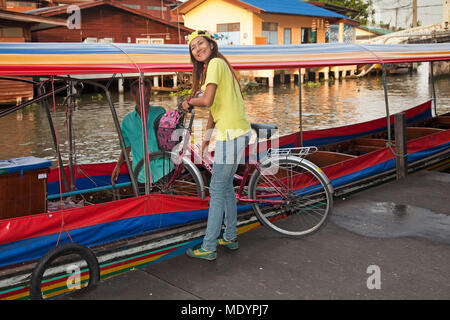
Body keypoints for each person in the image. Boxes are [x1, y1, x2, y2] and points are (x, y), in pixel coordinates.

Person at [182, 30, 252, 261]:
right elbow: (215, 109)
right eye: (193, 47)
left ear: (211, 44)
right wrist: (205, 140)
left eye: (201, 43)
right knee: (227, 188)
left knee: (217, 190)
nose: (197, 48)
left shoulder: (214, 64)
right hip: (236, 132)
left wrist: (188, 102)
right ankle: (230, 236)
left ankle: (209, 246)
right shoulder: (220, 65)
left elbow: (207, 101)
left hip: (231, 134)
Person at [111, 79, 167, 193]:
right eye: (142, 95)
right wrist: (118, 166)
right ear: (133, 95)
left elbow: (169, 139)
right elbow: (126, 147)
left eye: (148, 94)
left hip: (164, 169)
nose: (146, 98)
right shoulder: (127, 121)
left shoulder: (160, 112)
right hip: (141, 174)